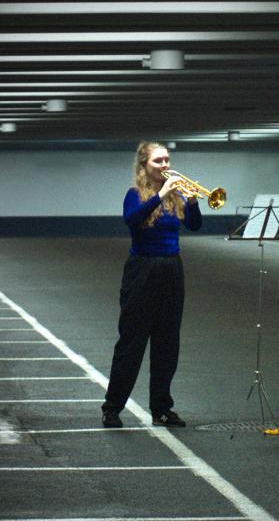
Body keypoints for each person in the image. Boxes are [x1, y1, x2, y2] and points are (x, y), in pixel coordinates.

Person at [102, 141, 202, 429]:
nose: (165, 166)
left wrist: (192, 201)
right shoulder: (135, 195)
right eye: (158, 161)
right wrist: (160, 195)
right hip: (142, 269)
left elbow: (194, 226)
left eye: (167, 160)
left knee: (167, 343)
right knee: (131, 342)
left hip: (172, 268)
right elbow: (132, 220)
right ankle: (112, 407)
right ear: (144, 165)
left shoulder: (177, 197)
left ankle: (162, 408)